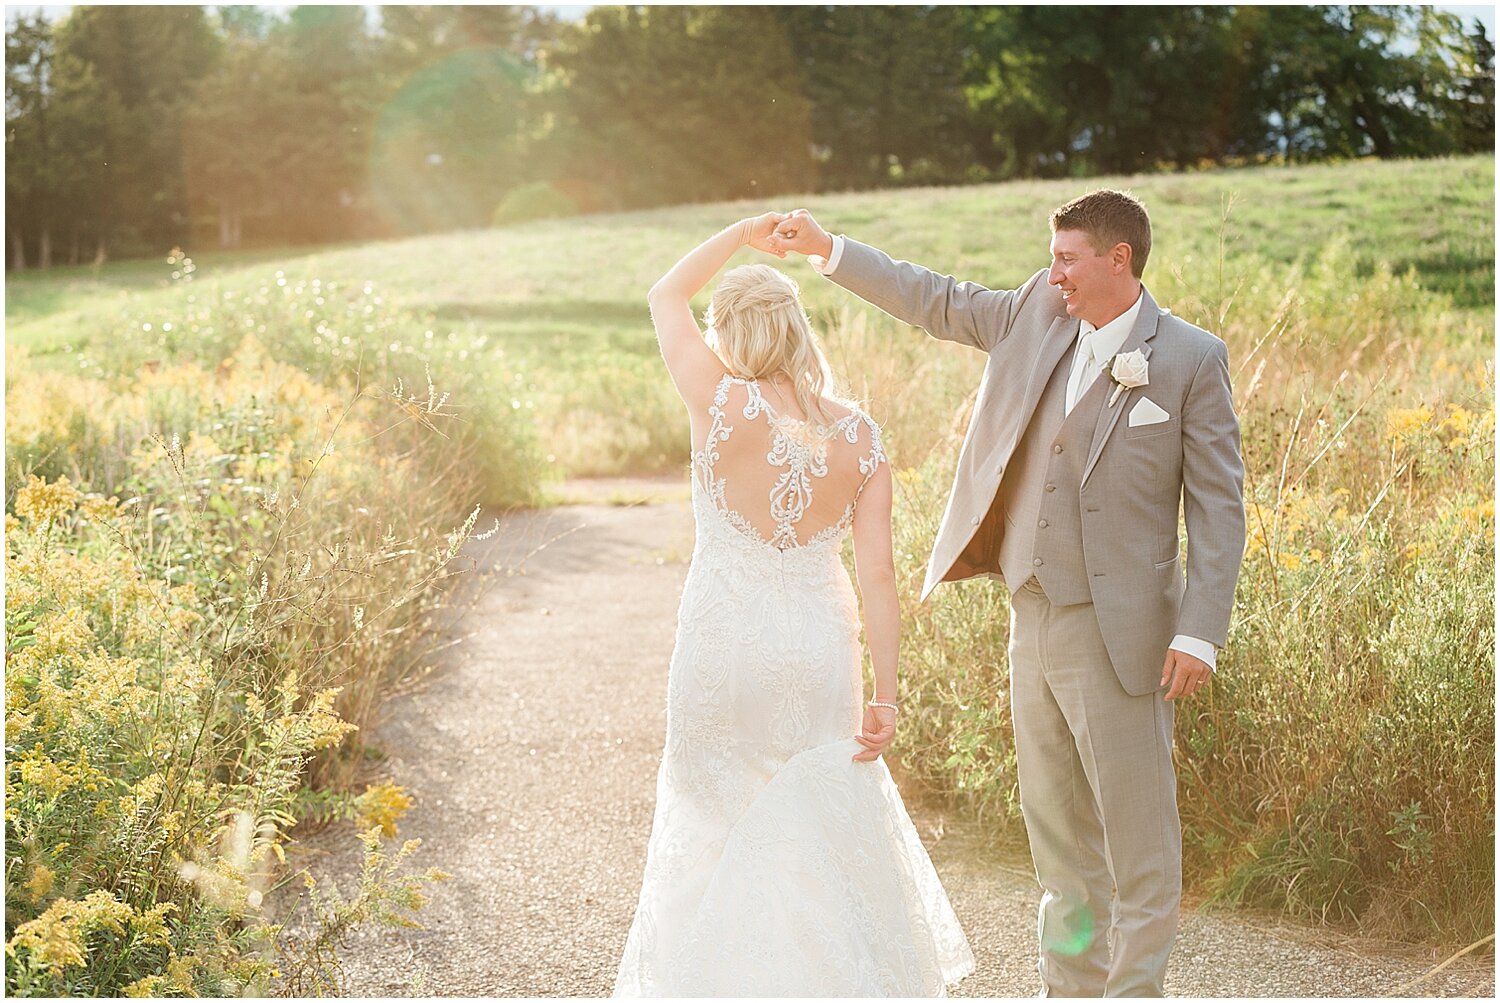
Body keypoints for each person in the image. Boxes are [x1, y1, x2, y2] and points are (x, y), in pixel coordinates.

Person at [768, 191, 1246, 998]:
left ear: (1117, 260)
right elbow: (938, 300)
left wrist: (1199, 631)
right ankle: (1069, 989)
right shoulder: (1035, 310)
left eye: (1066, 256)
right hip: (1033, 618)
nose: (1051, 270)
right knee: (1057, 840)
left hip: (1124, 637)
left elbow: (1219, 507)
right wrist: (828, 250)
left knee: (1140, 848)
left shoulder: (1190, 359)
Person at [612, 213, 975, 997]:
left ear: (728, 333)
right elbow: (877, 576)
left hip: (724, 647)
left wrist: (743, 233)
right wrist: (886, 693)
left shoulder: (716, 399)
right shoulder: (862, 436)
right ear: (798, 327)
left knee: (712, 835)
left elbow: (664, 291)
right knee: (816, 846)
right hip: (819, 654)